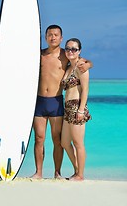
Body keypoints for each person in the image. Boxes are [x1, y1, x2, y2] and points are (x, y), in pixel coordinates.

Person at [32, 25, 93, 179]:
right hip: (39, 101)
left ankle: (57, 172)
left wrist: (89, 64)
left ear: (61, 37)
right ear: (45, 37)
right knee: (39, 138)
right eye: (50, 34)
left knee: (57, 140)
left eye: (56, 35)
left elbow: (83, 61)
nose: (53, 37)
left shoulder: (65, 55)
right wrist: (0, 42)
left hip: (56, 102)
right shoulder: (38, 54)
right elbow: (16, 55)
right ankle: (39, 172)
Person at [61, 38, 91, 181]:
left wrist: (80, 110)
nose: (70, 51)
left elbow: (85, 90)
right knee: (65, 143)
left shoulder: (81, 66)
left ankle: (80, 175)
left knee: (78, 143)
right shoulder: (68, 67)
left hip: (77, 106)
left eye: (74, 49)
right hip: (67, 108)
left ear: (79, 51)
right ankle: (77, 170)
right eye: (68, 48)